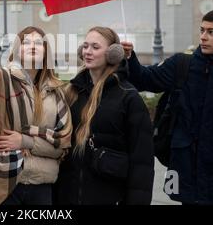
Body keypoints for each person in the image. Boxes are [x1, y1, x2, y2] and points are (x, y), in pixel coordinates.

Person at [121, 8, 213, 205]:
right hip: (187, 168)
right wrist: (129, 59)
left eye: (211, 32)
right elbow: (146, 80)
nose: (203, 37)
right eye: (202, 30)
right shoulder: (183, 64)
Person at [0, 0, 72, 205]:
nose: (33, 46)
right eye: (26, 42)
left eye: (39, 43)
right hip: (4, 185)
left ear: (46, 53)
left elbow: (62, 144)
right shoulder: (0, 81)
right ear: (17, 51)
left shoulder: (57, 93)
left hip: (42, 188)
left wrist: (24, 141)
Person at [54, 26, 154, 205]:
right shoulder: (71, 92)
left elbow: (142, 163)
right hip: (68, 196)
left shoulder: (128, 97)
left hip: (109, 197)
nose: (88, 52)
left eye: (95, 47)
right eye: (85, 46)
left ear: (113, 53)